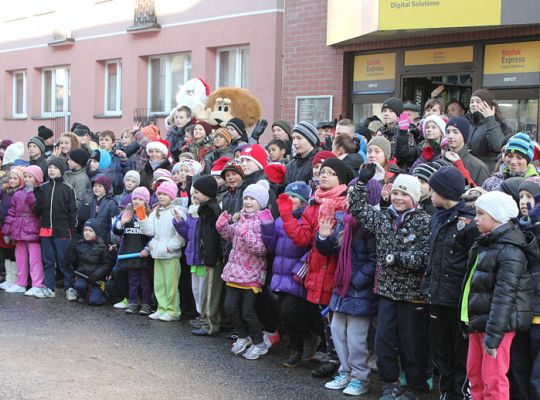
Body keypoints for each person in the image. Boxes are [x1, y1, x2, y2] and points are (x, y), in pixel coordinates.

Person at [349, 167, 432, 399]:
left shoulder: (424, 221)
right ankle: (390, 383)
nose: (398, 198)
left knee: (411, 343)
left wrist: (397, 259)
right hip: (386, 292)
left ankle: (415, 386)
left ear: (414, 198)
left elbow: (426, 258)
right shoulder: (384, 217)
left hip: (412, 295)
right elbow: (357, 208)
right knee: (384, 340)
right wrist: (362, 183)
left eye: (404, 194)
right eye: (395, 193)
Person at [278, 158, 354, 378]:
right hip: (316, 271)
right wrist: (286, 216)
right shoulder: (313, 205)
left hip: (338, 272)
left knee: (338, 322)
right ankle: (332, 359)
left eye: (330, 172)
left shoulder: (345, 203)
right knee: (324, 320)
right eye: (322, 171)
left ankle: (343, 364)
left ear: (340, 178)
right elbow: (302, 238)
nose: (323, 175)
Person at [461, 191, 534, 400]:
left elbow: (505, 296)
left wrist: (493, 338)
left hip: (496, 327)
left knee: (493, 378)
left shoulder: (510, 250)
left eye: (481, 213)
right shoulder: (485, 242)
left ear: (496, 216)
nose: (475, 218)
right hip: (479, 320)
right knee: (475, 374)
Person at [422, 166, 480, 400]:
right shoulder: (437, 218)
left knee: (460, 352)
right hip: (437, 296)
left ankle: (459, 392)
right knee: (441, 350)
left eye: (434, 190)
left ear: (444, 192)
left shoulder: (469, 223)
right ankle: (446, 392)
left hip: (457, 300)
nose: (431, 194)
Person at [320, 177, 379, 396]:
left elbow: (374, 260)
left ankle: (359, 377)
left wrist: (355, 280)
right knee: (337, 331)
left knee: (356, 338)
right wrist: (324, 239)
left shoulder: (371, 225)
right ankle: (344, 371)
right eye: (351, 192)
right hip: (342, 286)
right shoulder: (345, 220)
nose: (351, 196)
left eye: (358, 193)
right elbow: (334, 251)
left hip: (357, 288)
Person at [216, 180, 274, 360]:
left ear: (261, 202)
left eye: (252, 199)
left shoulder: (265, 221)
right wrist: (223, 225)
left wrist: (244, 233)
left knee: (247, 311)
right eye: (246, 198)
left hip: (252, 273)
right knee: (229, 307)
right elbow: (230, 235)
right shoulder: (242, 218)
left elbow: (262, 249)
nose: (248, 202)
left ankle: (258, 343)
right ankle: (243, 336)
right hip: (235, 271)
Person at [263, 181, 313, 367]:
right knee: (282, 312)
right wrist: (267, 229)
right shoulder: (280, 220)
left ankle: (299, 345)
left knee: (290, 311)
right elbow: (272, 248)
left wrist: (300, 267)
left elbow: (308, 245)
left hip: (296, 274)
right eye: (287, 196)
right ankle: (296, 343)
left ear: (303, 201)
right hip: (280, 273)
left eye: (294, 197)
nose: (290, 200)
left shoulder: (306, 220)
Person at [174, 175, 223, 336]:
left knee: (209, 293)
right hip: (205, 256)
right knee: (203, 292)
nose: (194, 195)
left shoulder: (210, 210)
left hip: (211, 258)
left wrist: (209, 257)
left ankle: (210, 324)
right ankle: (204, 319)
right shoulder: (204, 209)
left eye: (198, 192)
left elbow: (210, 237)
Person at [138, 181, 186, 321]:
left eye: (164, 194)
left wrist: (169, 247)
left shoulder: (177, 210)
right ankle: (162, 308)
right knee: (159, 283)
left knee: (171, 285)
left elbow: (181, 236)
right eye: (159, 194)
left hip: (171, 255)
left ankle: (172, 311)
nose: (161, 196)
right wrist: (141, 216)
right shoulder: (157, 211)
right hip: (157, 254)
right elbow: (149, 230)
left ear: (171, 195)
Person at [34, 157, 78, 300]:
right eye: (50, 167)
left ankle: (70, 287)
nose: (51, 170)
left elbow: (73, 211)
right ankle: (49, 288)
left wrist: (73, 231)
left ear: (61, 170)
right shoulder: (42, 188)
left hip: (63, 230)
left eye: (55, 167)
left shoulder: (68, 188)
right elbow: (37, 210)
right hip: (46, 229)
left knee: (64, 261)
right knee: (48, 261)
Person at [1, 166, 45, 295]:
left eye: (30, 177)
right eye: (25, 177)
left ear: (37, 178)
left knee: (35, 259)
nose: (27, 179)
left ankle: (37, 284)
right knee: (20, 258)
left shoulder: (39, 192)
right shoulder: (18, 193)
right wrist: (7, 231)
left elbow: (38, 208)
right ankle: (21, 283)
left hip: (32, 228)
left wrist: (31, 193)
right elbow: (11, 213)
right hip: (18, 228)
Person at [112, 187, 153, 315]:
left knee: (145, 281)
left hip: (143, 255)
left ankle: (146, 304)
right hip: (129, 254)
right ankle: (132, 302)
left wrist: (147, 249)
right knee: (133, 280)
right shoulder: (127, 213)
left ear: (146, 201)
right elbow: (116, 231)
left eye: (140, 199)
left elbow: (151, 234)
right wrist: (122, 223)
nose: (137, 201)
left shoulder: (148, 215)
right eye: (135, 198)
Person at [66, 218, 112, 305]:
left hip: (96, 278)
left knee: (94, 302)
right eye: (85, 230)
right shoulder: (79, 244)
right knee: (79, 285)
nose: (87, 233)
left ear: (96, 232)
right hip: (82, 276)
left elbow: (106, 264)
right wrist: (72, 246)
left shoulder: (102, 246)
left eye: (90, 231)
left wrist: (96, 275)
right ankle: (83, 295)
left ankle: (100, 293)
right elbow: (70, 260)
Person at [0, 168, 30, 292]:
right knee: (5, 253)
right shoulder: (4, 191)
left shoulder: (22, 193)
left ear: (21, 180)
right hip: (3, 226)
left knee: (14, 254)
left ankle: (17, 279)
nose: (12, 181)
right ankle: (9, 278)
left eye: (15, 178)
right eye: (10, 178)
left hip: (15, 227)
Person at [467, 89, 510, 171]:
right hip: (470, 168)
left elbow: (498, 147)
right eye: (471, 101)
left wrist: (490, 118)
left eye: (478, 102)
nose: (473, 104)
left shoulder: (497, 124)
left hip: (486, 170)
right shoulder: (470, 124)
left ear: (487, 105)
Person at [445, 116, 490, 185]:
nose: (450, 136)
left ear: (464, 135)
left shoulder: (479, 167)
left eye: (455, 132)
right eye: (448, 132)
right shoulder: (439, 160)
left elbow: (482, 193)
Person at [89, 174, 118, 246]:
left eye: (100, 186)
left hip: (104, 240)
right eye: (95, 186)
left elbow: (112, 225)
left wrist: (109, 241)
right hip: (92, 238)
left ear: (106, 188)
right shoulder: (92, 201)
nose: (96, 188)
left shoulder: (111, 203)